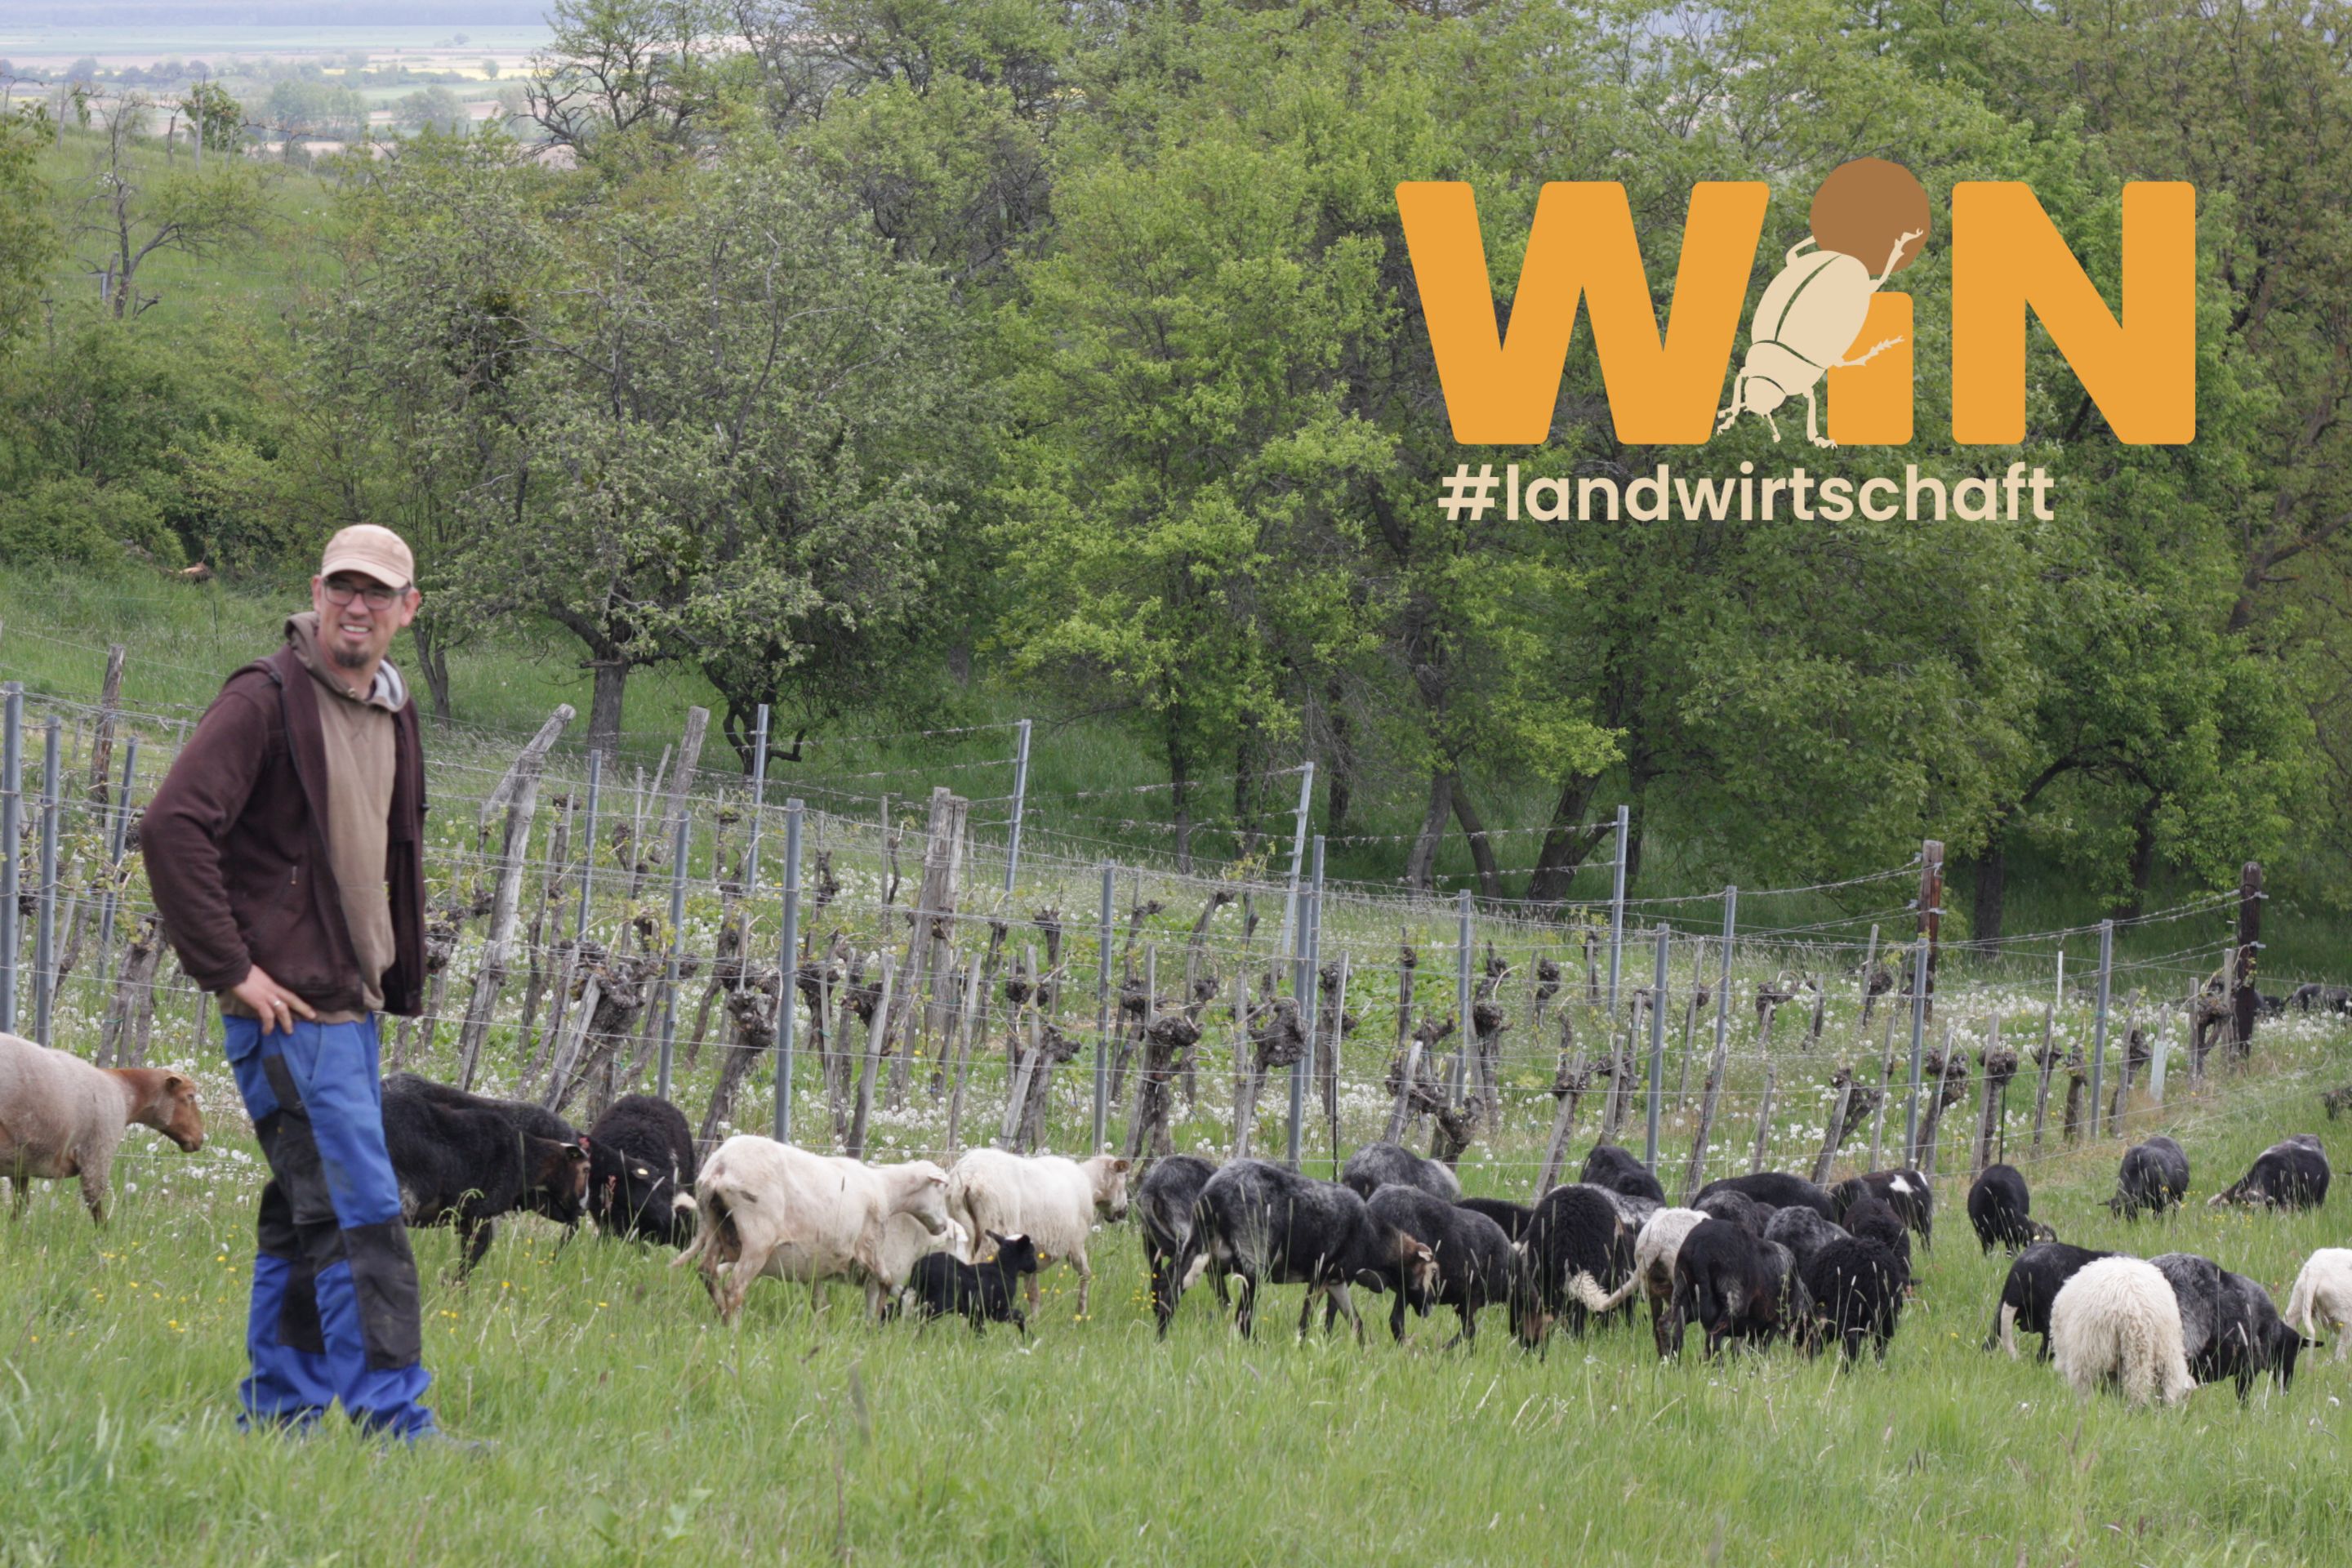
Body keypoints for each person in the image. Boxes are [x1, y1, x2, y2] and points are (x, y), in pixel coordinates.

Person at [145, 524, 439, 1441]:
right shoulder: (264, 699)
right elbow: (171, 827)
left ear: (407, 611)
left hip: (352, 1010)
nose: (358, 606)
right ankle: (397, 1425)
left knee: (301, 1213)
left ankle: (280, 1412)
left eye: (378, 593)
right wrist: (232, 968)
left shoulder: (393, 708)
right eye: (343, 587)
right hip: (289, 1016)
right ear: (315, 592)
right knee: (364, 1213)